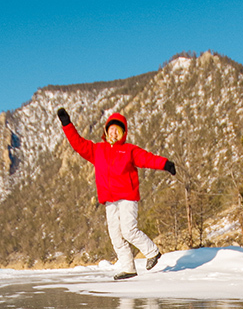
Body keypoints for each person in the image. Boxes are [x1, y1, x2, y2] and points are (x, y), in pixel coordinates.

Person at [57, 108, 176, 280]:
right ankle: (128, 268)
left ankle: (152, 252)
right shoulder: (97, 150)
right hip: (109, 200)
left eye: (118, 130)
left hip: (127, 197)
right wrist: (67, 124)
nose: (114, 132)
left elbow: (147, 159)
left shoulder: (129, 150)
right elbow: (78, 144)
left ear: (123, 133)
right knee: (115, 235)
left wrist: (165, 164)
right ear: (106, 131)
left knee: (128, 230)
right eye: (111, 129)